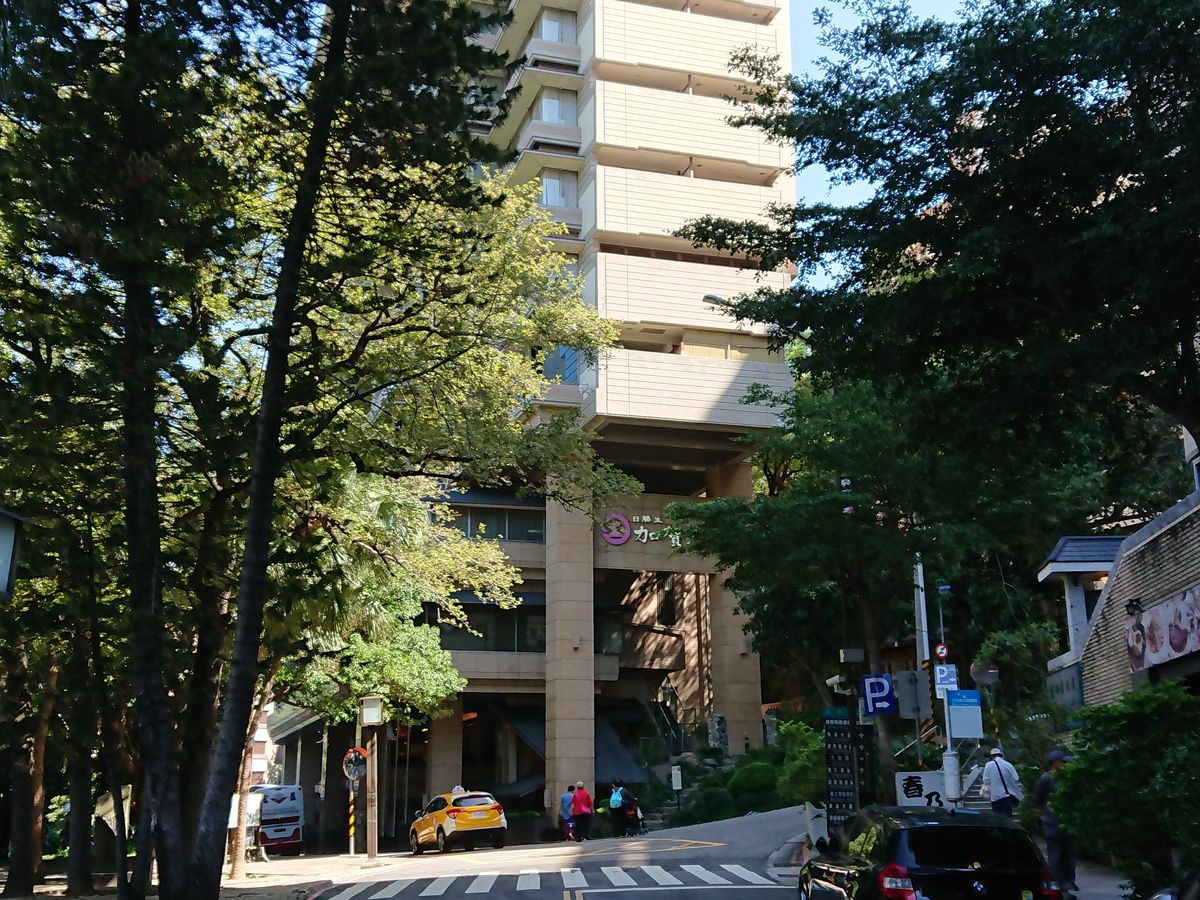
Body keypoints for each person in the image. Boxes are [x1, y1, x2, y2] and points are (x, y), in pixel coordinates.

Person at [1035, 751, 1078, 894]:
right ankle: (1058, 882)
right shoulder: (1046, 778)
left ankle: (1070, 880)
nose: (1064, 765)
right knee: (1056, 854)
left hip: (1068, 821)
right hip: (1052, 822)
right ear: (1055, 762)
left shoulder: (1068, 778)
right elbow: (1038, 799)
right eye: (1062, 762)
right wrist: (1046, 813)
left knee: (1069, 853)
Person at [983, 747, 1023, 817]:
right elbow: (1016, 778)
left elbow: (986, 780)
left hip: (995, 796)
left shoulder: (988, 765)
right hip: (1007, 795)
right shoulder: (1008, 764)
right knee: (1008, 817)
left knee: (997, 818)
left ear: (992, 756)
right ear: (1001, 755)